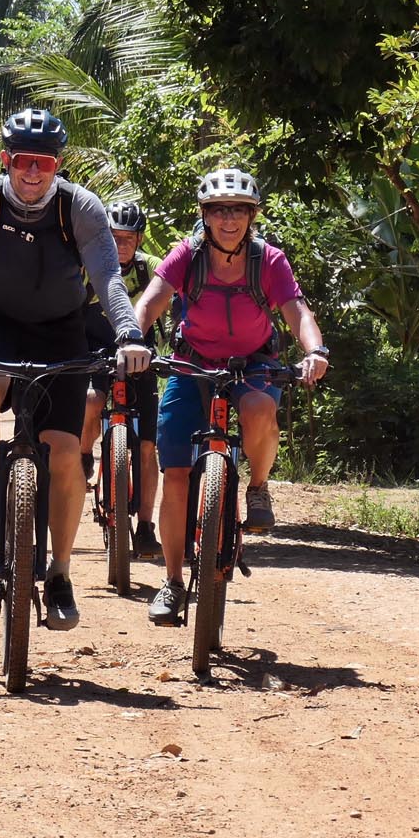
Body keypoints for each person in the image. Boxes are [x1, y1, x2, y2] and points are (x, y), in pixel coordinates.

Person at [0, 108, 151, 629]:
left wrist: (128, 332)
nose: (32, 172)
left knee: (64, 452)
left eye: (43, 162)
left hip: (61, 327)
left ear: (57, 163)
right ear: (5, 160)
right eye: (22, 161)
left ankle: (59, 572)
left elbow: (107, 278)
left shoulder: (79, 207)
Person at [132, 168, 329, 626]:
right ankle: (173, 582)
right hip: (192, 363)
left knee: (261, 407)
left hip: (252, 363)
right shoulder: (188, 255)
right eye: (220, 210)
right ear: (205, 215)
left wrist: (315, 351)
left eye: (238, 210)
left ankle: (257, 488)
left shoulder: (269, 260)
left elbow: (297, 311)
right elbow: (151, 301)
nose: (229, 219)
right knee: (176, 473)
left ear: (251, 216)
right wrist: (129, 338)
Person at [79, 201, 162, 560]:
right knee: (91, 401)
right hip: (95, 353)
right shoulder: (87, 266)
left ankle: (145, 527)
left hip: (142, 356)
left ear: (139, 239)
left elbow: (175, 302)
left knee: (147, 447)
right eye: (114, 238)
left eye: (128, 239)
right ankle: (84, 454)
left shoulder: (151, 269)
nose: (121, 245)